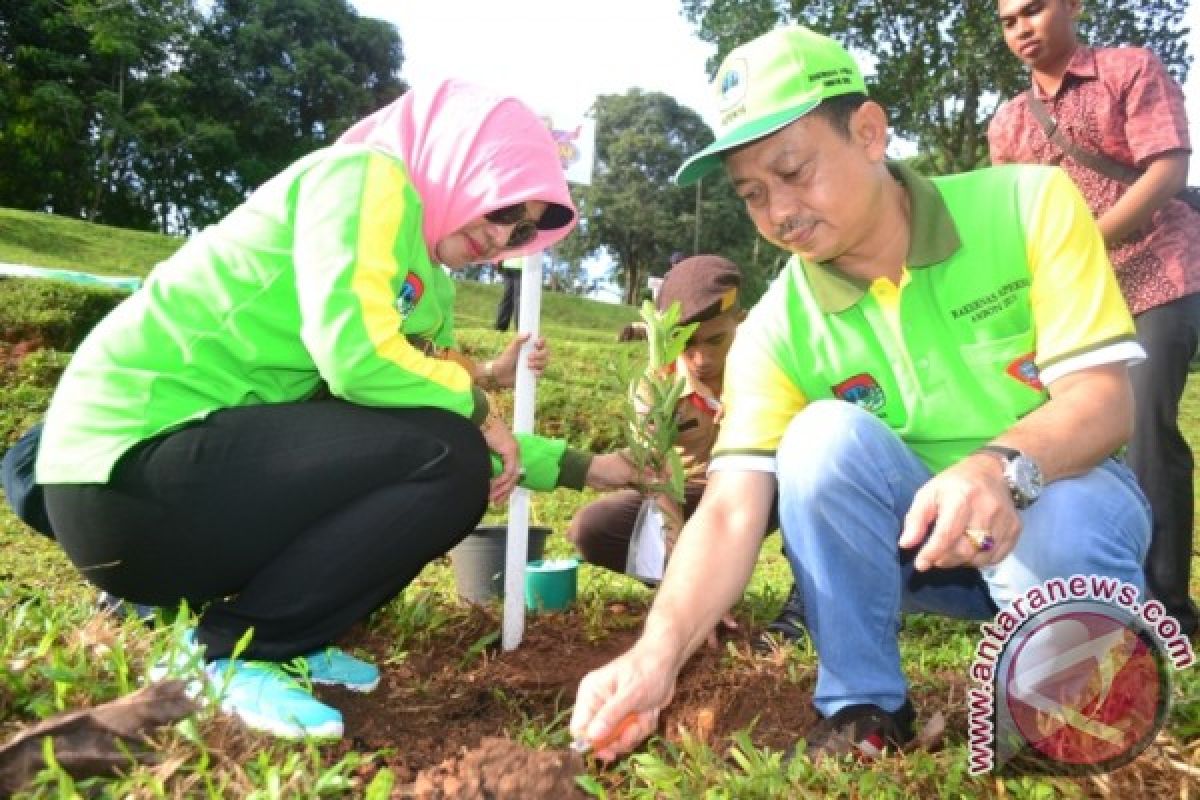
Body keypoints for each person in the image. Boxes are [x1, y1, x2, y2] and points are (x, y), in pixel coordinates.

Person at [570, 25, 1151, 762]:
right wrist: (654, 657)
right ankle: (863, 705)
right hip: (918, 554)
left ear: (870, 132)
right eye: (752, 194)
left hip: (1058, 507)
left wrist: (992, 468)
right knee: (818, 438)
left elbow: (1103, 402)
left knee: (1065, 529)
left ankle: (1064, 687)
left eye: (792, 171)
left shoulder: (1027, 206)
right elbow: (728, 510)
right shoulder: (778, 326)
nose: (778, 212)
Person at [32, 79, 637, 740]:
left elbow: (442, 398)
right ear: (463, 161)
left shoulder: (426, 284)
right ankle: (227, 655)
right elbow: (363, 359)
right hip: (129, 472)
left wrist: (583, 466)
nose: (502, 240)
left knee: (452, 452)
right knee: (450, 455)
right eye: (502, 211)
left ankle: (279, 638)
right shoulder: (365, 178)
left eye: (520, 233)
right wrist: (478, 406)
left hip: (188, 491)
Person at [989, 0, 1200, 636]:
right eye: (1008, 21)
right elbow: (1015, 215)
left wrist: (1087, 245)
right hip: (1073, 294)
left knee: (1144, 424)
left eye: (1035, 10)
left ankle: (1163, 605)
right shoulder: (1007, 123)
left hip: (1159, 270)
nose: (1022, 27)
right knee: (1066, 428)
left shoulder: (1128, 70)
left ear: (1074, 6)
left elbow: (1168, 168)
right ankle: (1079, 585)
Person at [566, 254, 806, 645]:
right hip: (688, 494)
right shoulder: (655, 386)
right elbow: (660, 486)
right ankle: (693, 586)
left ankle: (807, 598)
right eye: (686, 343)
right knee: (591, 527)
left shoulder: (773, 366)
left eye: (716, 340)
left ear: (740, 322)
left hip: (765, 488)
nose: (702, 358)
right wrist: (687, 592)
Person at [495, 255, 522, 331]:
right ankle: (520, 328)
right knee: (519, 299)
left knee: (507, 298)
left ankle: (500, 327)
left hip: (507, 264)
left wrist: (499, 262)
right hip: (521, 266)